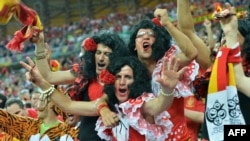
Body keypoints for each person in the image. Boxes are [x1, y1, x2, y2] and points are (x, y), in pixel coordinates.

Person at [21, 53, 188, 140]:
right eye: (118, 77)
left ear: (136, 82)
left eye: (128, 77)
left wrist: (167, 89)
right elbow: (68, 106)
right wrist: (42, 83)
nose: (122, 82)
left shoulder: (140, 104)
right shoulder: (106, 106)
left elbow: (160, 105)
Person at [21, 30, 129, 140]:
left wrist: (42, 83)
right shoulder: (85, 72)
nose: (101, 58)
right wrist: (39, 45)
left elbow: (69, 105)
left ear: (116, 57)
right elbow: (49, 76)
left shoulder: (122, 81)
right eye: (98, 52)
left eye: (107, 54)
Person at [111, 8, 198, 140]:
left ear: (157, 42)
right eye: (140, 35)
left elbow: (190, 53)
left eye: (151, 35)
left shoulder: (169, 64)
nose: (146, 36)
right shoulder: (128, 74)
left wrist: (167, 24)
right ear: (134, 45)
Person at [177, 1, 250, 140]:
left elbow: (239, 80)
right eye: (223, 35)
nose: (225, 39)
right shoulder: (214, 65)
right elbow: (188, 31)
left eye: (234, 34)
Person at [0, 89, 78, 140]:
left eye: (40, 101)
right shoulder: (30, 125)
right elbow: (4, 118)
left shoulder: (68, 131)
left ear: (50, 104)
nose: (36, 106)